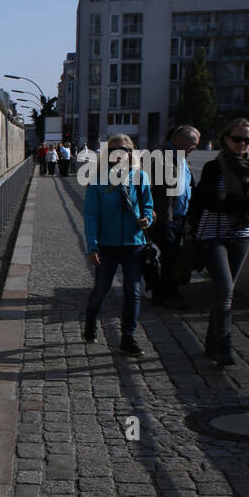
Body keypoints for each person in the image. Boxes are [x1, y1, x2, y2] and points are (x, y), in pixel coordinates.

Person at [186, 118, 249, 366]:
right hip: (212, 235)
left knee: (223, 292)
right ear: (226, 139)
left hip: (241, 236)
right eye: (238, 138)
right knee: (225, 292)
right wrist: (247, 201)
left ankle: (212, 343)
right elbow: (211, 202)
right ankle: (224, 347)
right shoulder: (214, 167)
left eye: (248, 140)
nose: (243, 143)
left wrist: (231, 202)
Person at [83, 135, 155, 356]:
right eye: (114, 150)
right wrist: (92, 247)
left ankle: (128, 337)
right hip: (107, 245)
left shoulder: (140, 177)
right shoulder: (98, 181)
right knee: (101, 290)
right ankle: (91, 320)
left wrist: (147, 219)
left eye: (123, 150)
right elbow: (91, 216)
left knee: (132, 291)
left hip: (135, 244)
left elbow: (149, 206)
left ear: (130, 152)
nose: (119, 154)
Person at [149, 125, 200, 308]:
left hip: (179, 217)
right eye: (192, 143)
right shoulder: (160, 156)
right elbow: (147, 186)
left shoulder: (182, 159)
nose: (195, 147)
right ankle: (169, 295)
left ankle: (160, 293)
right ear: (178, 139)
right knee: (169, 255)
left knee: (172, 255)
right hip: (164, 216)